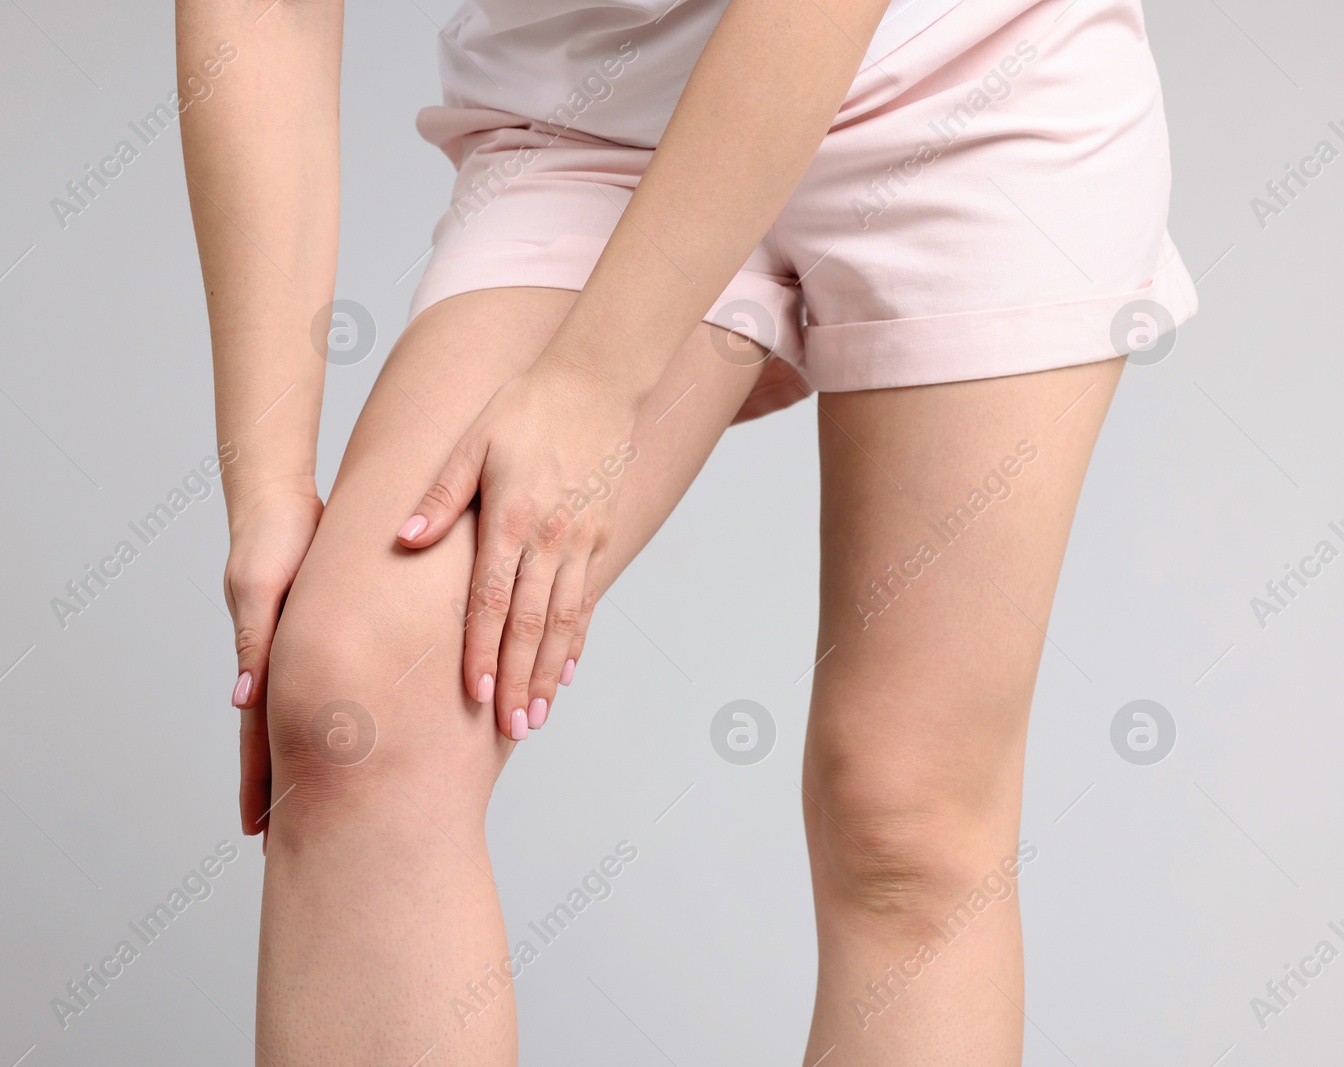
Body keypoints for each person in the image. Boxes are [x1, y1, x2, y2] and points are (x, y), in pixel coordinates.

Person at [176, 0, 1196, 1061]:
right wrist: (267, 484)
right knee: (356, 702)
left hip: (973, 80)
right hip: (600, 111)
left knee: (907, 820)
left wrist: (589, 379)